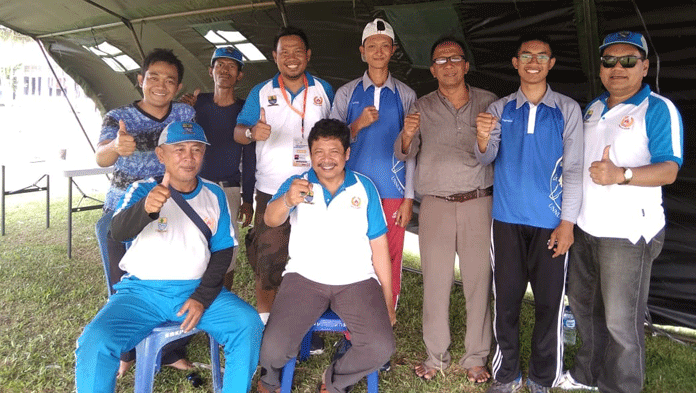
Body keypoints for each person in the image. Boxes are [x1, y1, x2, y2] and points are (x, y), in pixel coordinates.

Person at [76, 121, 263, 393]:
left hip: (197, 290)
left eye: (196, 149)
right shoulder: (141, 189)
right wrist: (146, 209)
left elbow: (223, 250)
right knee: (95, 341)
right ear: (161, 154)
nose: (188, 157)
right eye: (179, 149)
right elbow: (116, 231)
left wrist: (201, 297)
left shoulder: (214, 193)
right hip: (141, 293)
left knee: (247, 325)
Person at [558, 31, 683, 393]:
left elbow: (670, 169)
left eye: (628, 60)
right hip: (585, 228)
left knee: (620, 323)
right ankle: (586, 375)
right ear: (600, 68)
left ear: (644, 66)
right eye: (609, 61)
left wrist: (622, 175)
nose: (618, 68)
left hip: (628, 233)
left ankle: (621, 386)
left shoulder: (657, 109)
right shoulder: (594, 107)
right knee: (585, 310)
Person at [475, 33, 583, 393]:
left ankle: (542, 375)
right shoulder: (499, 109)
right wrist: (481, 138)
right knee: (505, 302)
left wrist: (567, 224)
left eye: (541, 56)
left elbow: (574, 169)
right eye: (526, 56)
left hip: (551, 224)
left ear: (551, 64)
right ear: (515, 62)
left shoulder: (566, 109)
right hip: (506, 220)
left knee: (549, 305)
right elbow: (485, 158)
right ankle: (506, 374)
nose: (533, 62)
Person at [256, 119, 395, 393]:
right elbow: (271, 220)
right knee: (272, 347)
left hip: (356, 280)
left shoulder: (364, 188)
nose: (326, 159)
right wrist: (286, 201)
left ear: (347, 154)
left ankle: (334, 381)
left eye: (334, 151)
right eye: (319, 152)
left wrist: (388, 302)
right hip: (304, 278)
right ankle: (269, 381)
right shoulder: (297, 184)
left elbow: (379, 247)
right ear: (310, 154)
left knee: (381, 347)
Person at [394, 36, 497, 384]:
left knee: (478, 282)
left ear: (466, 65)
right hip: (436, 205)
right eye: (440, 61)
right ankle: (436, 356)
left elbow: (499, 151)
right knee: (435, 283)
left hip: (479, 201)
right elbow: (403, 153)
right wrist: (407, 135)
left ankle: (476, 357)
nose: (448, 65)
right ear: (432, 70)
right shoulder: (421, 107)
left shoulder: (489, 102)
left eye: (455, 59)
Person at [94, 48, 196, 375]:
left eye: (169, 80)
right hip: (122, 212)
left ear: (178, 87)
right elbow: (101, 157)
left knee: (176, 280)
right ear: (141, 80)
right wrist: (115, 147)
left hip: (171, 214)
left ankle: (170, 351)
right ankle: (126, 354)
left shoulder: (184, 115)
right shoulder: (118, 117)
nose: (160, 85)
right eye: (153, 77)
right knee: (122, 285)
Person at [233, 26, 334, 325]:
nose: (291, 58)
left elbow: (335, 135)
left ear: (308, 55)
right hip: (271, 190)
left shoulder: (323, 90)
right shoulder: (261, 92)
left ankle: (307, 327)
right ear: (274, 57)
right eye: (284, 52)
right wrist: (252, 132)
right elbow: (238, 132)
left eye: (297, 51)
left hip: (315, 190)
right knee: (269, 261)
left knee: (312, 261)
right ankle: (267, 325)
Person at [330, 18, 416, 312]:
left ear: (393, 51)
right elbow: (331, 145)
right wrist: (357, 125)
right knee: (353, 255)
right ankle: (352, 328)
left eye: (384, 46)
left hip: (393, 190)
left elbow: (414, 149)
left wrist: (409, 198)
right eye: (372, 46)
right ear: (362, 51)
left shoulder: (406, 95)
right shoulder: (346, 93)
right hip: (352, 189)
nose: (378, 51)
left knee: (391, 258)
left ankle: (385, 321)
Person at [180, 46, 255, 289]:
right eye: (220, 65)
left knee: (226, 252)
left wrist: (247, 200)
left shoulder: (245, 109)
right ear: (210, 71)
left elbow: (250, 155)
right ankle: (193, 306)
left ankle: (222, 304)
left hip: (228, 190)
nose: (225, 70)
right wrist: (184, 113)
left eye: (231, 66)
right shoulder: (195, 104)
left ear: (239, 75)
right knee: (193, 249)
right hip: (195, 188)